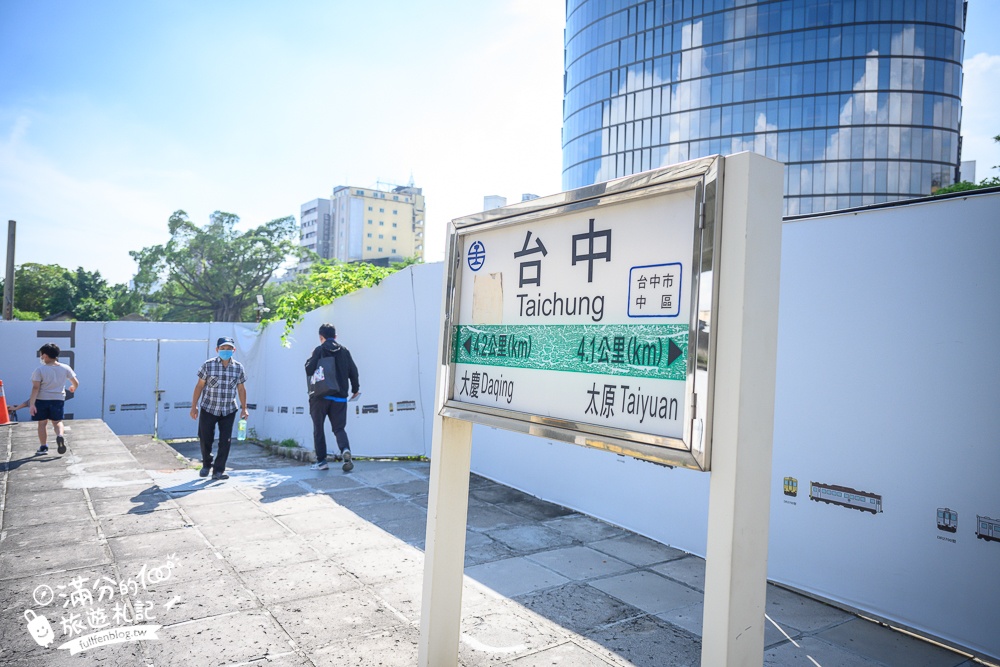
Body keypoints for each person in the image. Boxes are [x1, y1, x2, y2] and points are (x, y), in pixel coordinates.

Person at [189, 336, 249, 481]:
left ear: (233, 350)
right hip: (209, 408)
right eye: (223, 348)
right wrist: (194, 406)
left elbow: (241, 389)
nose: (225, 351)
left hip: (228, 409)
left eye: (229, 349)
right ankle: (206, 464)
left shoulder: (238, 367)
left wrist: (244, 408)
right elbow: (199, 386)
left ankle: (218, 470)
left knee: (225, 440)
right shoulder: (208, 365)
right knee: (205, 438)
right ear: (217, 350)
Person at [305, 323, 360, 472]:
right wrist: (355, 389)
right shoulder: (344, 351)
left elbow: (309, 369)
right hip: (340, 398)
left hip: (320, 397)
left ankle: (322, 462)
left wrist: (311, 358)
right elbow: (353, 371)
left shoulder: (319, 350)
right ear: (335, 336)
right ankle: (345, 450)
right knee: (339, 428)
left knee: (319, 429)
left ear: (321, 337)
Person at [29, 343, 79, 455]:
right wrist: (73, 388)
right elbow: (76, 382)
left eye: (41, 355)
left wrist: (32, 404)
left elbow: (35, 387)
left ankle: (43, 447)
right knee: (57, 422)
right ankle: (60, 436)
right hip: (58, 399)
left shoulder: (40, 370)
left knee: (42, 423)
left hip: (42, 400)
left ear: (45, 355)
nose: (41, 357)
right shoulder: (65, 368)